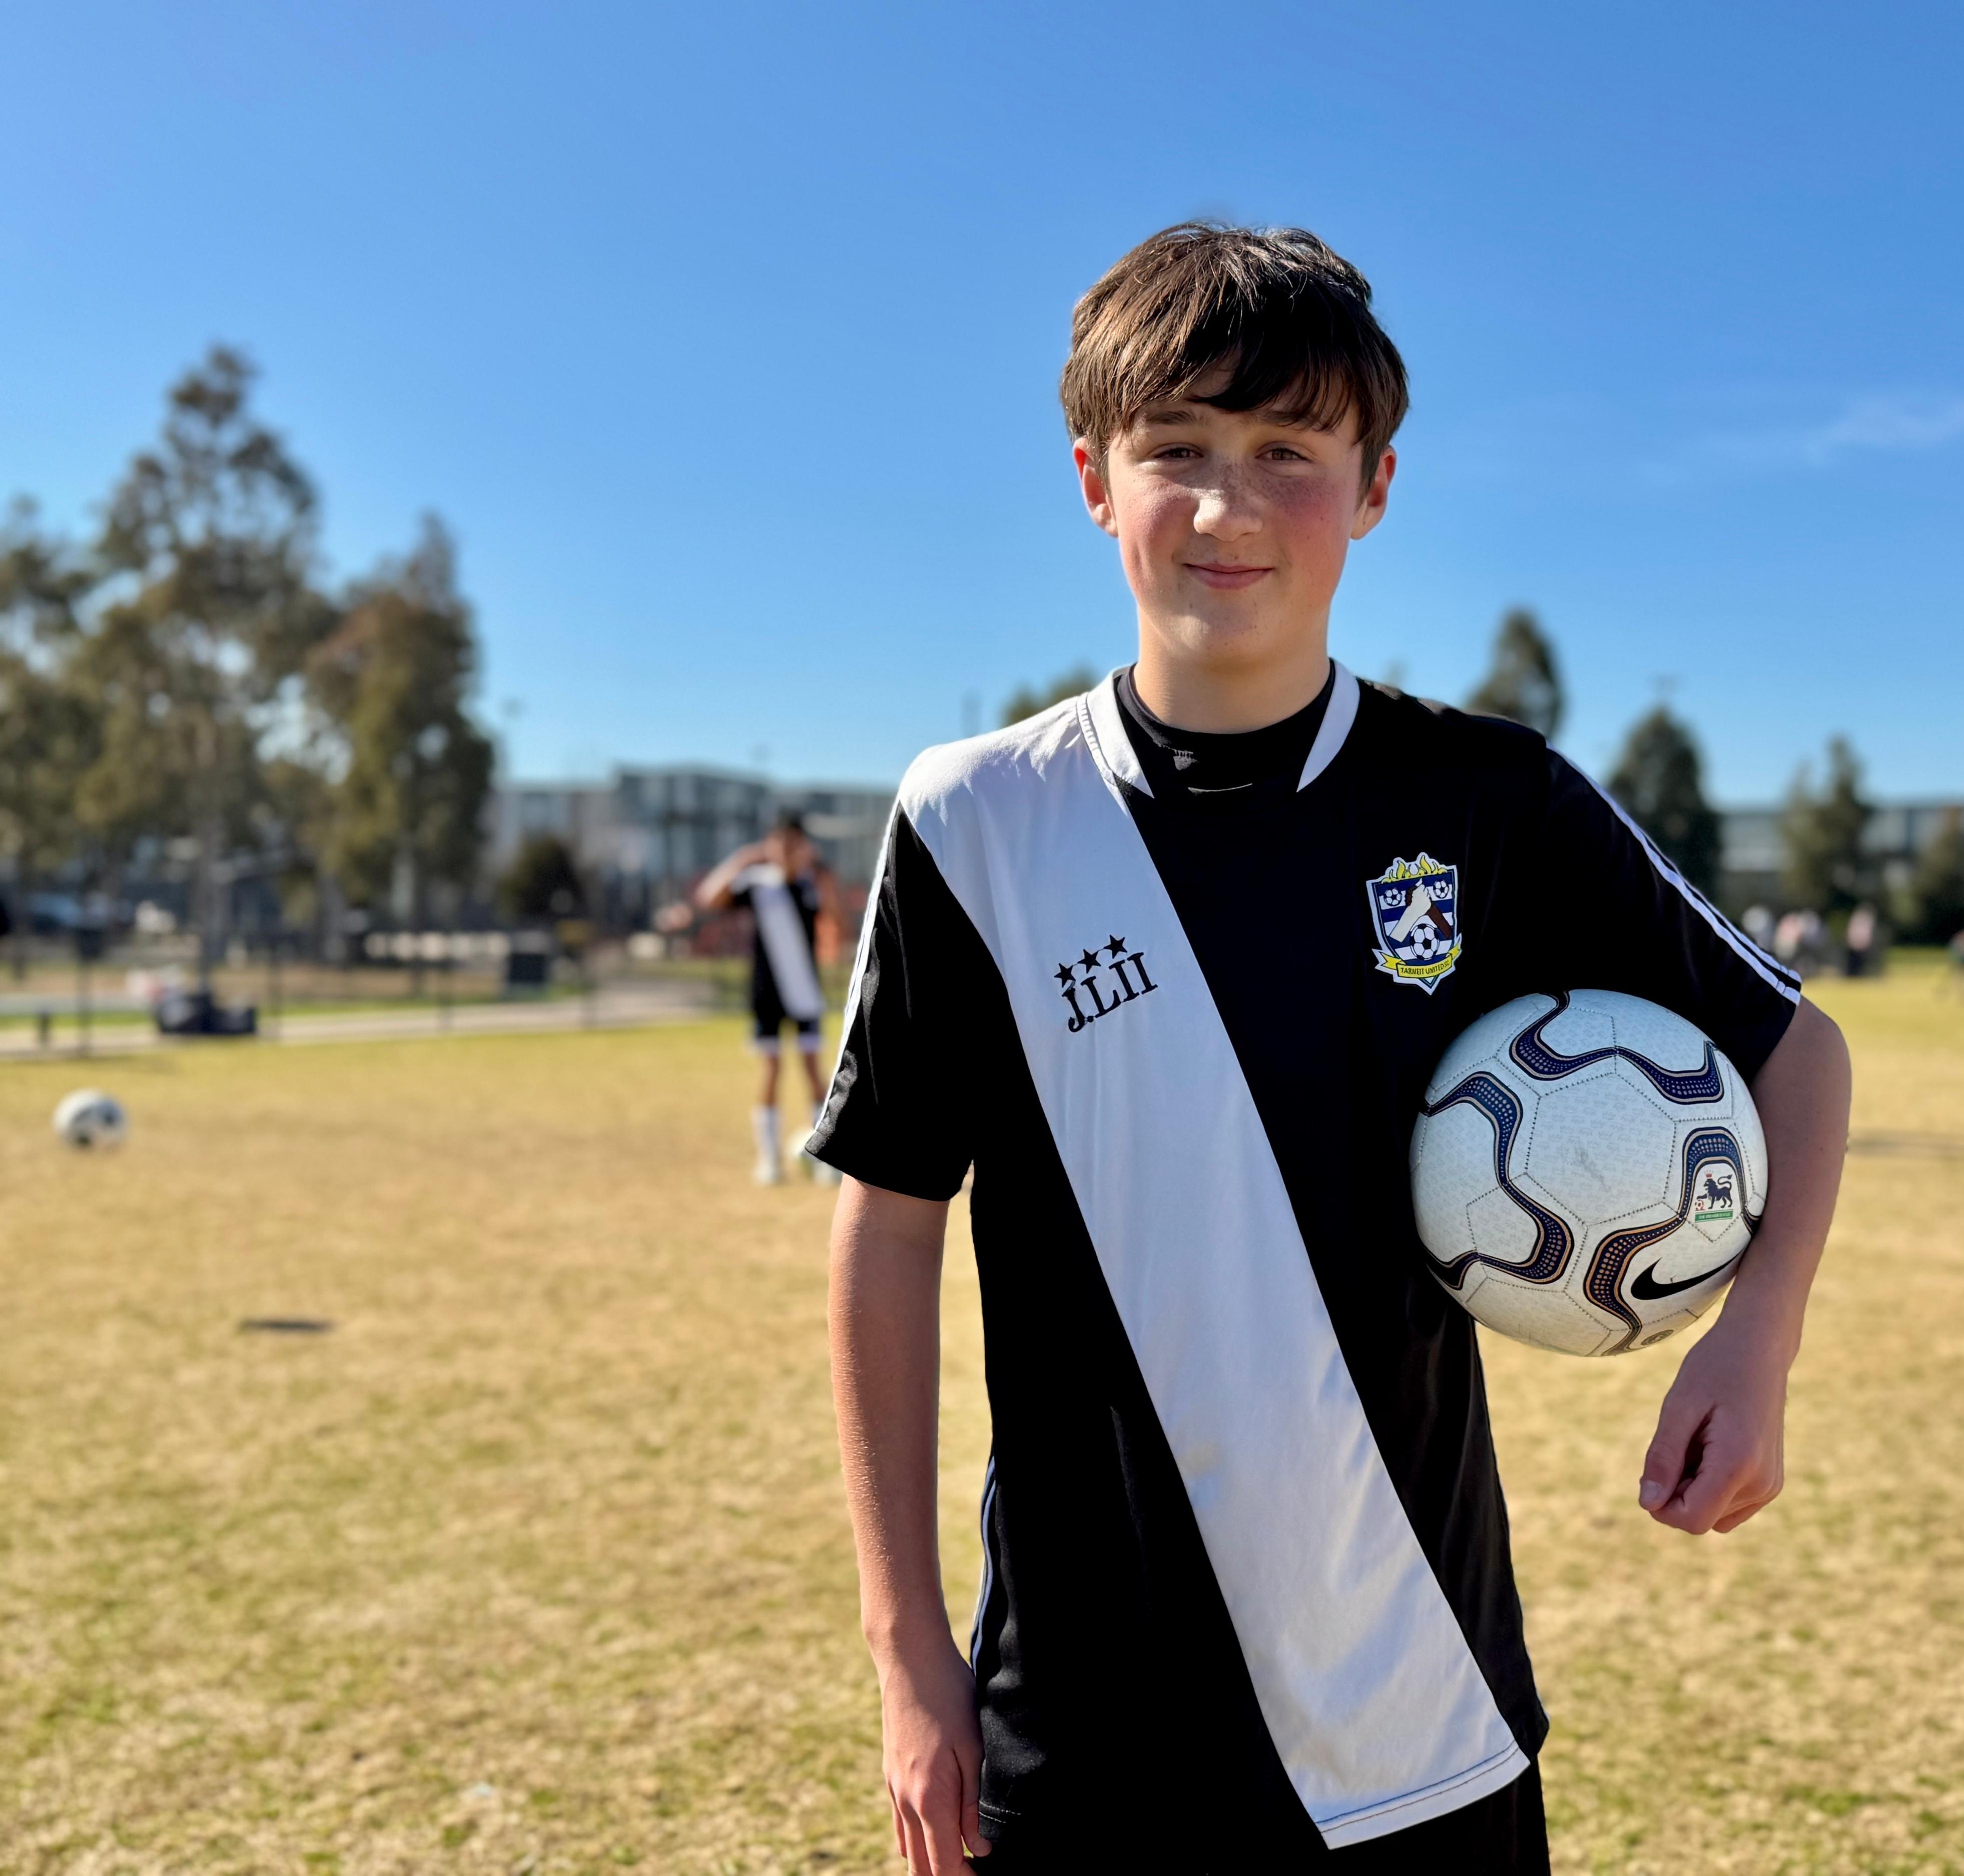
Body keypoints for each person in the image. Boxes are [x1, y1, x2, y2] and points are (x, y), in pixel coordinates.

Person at [808, 224, 1853, 1875]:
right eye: (1179, 453)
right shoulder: (982, 821)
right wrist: (904, 1656)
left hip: (1417, 1718)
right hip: (1079, 1734)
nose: (1228, 509)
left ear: (1373, 489)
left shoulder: (1485, 801)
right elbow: (885, 1225)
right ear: (1093, 478)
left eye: (1288, 455)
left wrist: (1758, 1333)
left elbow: (1796, 1049)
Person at [662, 814, 841, 1184]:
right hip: (766, 996)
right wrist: (743, 859)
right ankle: (769, 1159)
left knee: (813, 1072)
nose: (786, 852)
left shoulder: (812, 884)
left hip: (805, 993)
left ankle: (826, 1158)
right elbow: (708, 898)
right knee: (771, 1070)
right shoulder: (757, 884)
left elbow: (838, 923)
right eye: (780, 843)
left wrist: (824, 876)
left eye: (794, 844)